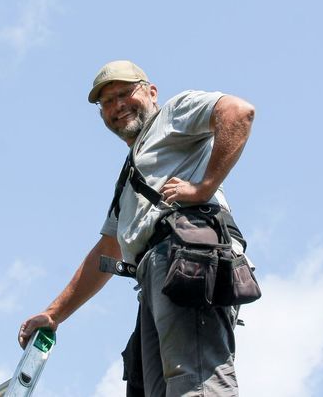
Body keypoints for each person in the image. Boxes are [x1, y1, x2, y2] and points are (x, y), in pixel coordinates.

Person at [18, 60, 255, 396]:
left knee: (196, 383)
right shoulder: (130, 175)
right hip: (153, 275)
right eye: (107, 102)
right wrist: (53, 314)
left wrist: (204, 187)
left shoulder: (173, 114)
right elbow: (107, 250)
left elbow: (238, 112)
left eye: (124, 93)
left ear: (151, 92)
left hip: (187, 256)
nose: (117, 106)